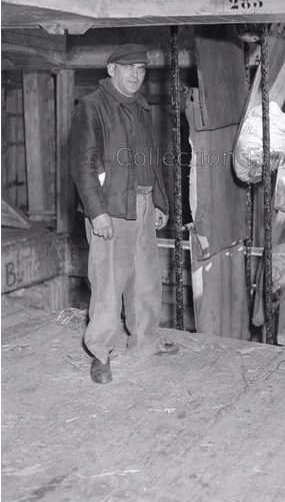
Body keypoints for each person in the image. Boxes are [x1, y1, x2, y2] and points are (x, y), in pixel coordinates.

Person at [70, 43, 178, 385]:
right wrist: (96, 212)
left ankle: (145, 342)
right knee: (108, 283)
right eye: (128, 67)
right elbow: (83, 166)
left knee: (146, 278)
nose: (136, 74)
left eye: (141, 69)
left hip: (143, 205)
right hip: (111, 208)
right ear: (111, 69)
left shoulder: (141, 107)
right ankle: (101, 354)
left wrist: (160, 202)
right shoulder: (91, 107)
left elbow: (151, 160)